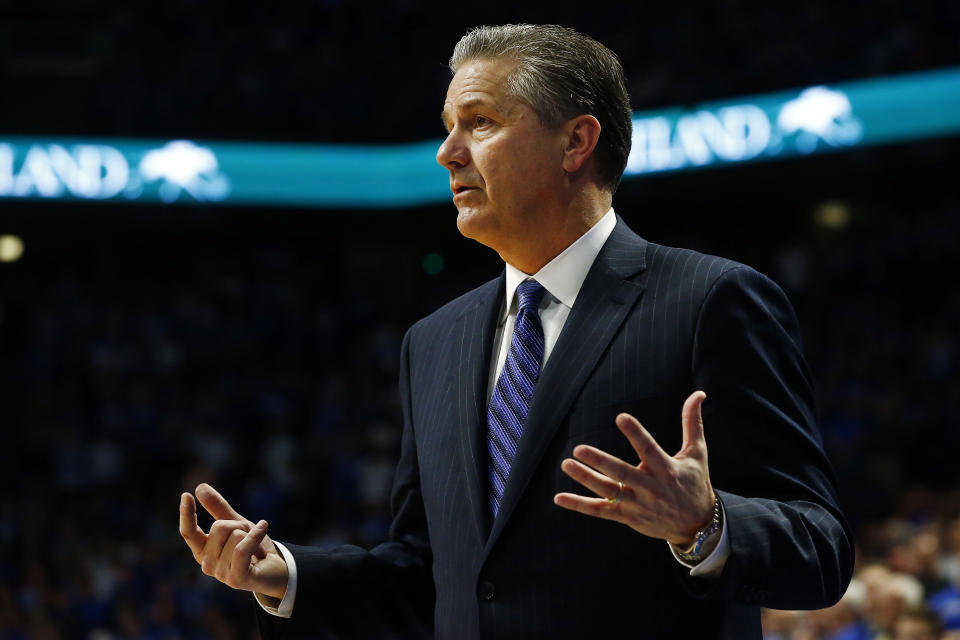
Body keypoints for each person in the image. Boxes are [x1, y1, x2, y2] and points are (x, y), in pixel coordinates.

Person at [179, 24, 854, 638]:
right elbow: (432, 574)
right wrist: (285, 573)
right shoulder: (433, 343)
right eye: (448, 126)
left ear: (575, 142)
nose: (448, 153)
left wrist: (703, 525)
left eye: (479, 123)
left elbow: (820, 551)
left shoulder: (710, 300)